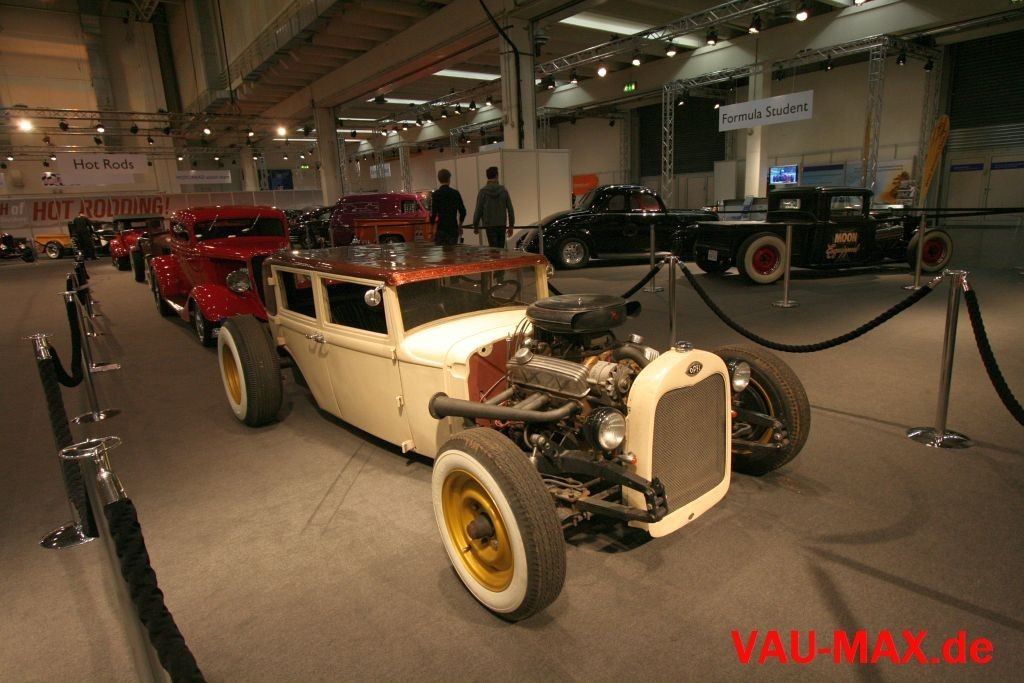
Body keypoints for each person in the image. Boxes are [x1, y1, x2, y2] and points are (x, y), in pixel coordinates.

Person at [472, 166, 515, 249]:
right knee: (501, 249)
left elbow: (478, 210)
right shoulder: (503, 190)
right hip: (502, 224)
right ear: (496, 175)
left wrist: (475, 226)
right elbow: (510, 209)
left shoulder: (483, 192)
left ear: (487, 176)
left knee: (493, 250)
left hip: (489, 225)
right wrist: (511, 226)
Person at [429, 168, 466, 246]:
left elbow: (433, 214)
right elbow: (463, 211)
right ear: (449, 179)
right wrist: (460, 226)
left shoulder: (436, 194)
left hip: (441, 229)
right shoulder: (455, 193)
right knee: (452, 251)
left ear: (439, 179)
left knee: (443, 252)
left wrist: (431, 231)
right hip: (453, 228)